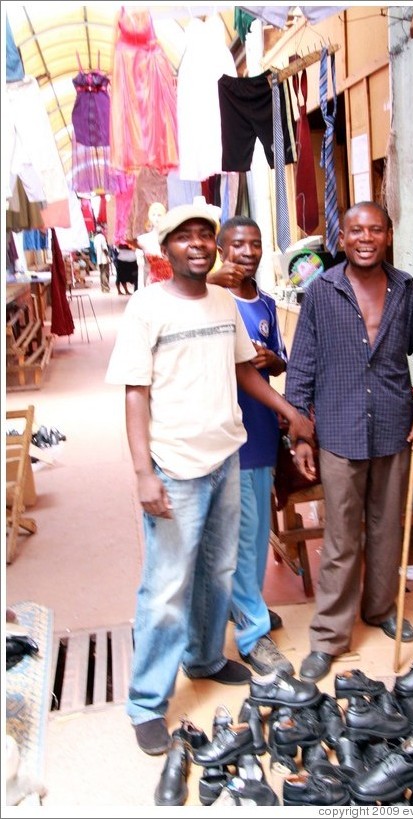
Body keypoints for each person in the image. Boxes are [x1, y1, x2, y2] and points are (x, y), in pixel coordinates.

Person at [105, 203, 314, 755]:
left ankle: (203, 658)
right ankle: (147, 702)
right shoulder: (147, 309)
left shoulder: (224, 301)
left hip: (225, 457)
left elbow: (244, 369)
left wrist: (287, 410)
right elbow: (134, 391)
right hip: (173, 466)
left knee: (218, 570)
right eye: (185, 237)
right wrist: (142, 472)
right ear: (166, 248)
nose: (197, 244)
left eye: (205, 235)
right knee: (167, 585)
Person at [285, 201, 413, 683]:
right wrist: (300, 434)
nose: (366, 238)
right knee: (340, 538)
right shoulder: (321, 292)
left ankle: (379, 610)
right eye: (356, 230)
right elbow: (302, 367)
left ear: (388, 235)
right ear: (343, 236)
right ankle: (329, 636)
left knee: (387, 529)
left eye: (376, 229)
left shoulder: (409, 292)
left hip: (395, 429)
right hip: (338, 431)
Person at [207, 215, 292, 676]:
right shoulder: (210, 299)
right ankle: (252, 635)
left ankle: (248, 605)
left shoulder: (265, 303)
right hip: (225, 431)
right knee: (240, 535)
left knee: (258, 531)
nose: (247, 252)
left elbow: (278, 363)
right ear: (221, 249)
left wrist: (271, 358)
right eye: (237, 244)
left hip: (261, 428)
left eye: (255, 244)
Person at [93, 225, 111, 293]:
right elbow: (104, 248)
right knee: (105, 273)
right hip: (104, 258)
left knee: (101, 273)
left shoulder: (95, 238)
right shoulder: (102, 237)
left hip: (99, 258)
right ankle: (106, 288)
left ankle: (103, 288)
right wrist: (108, 256)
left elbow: (95, 249)